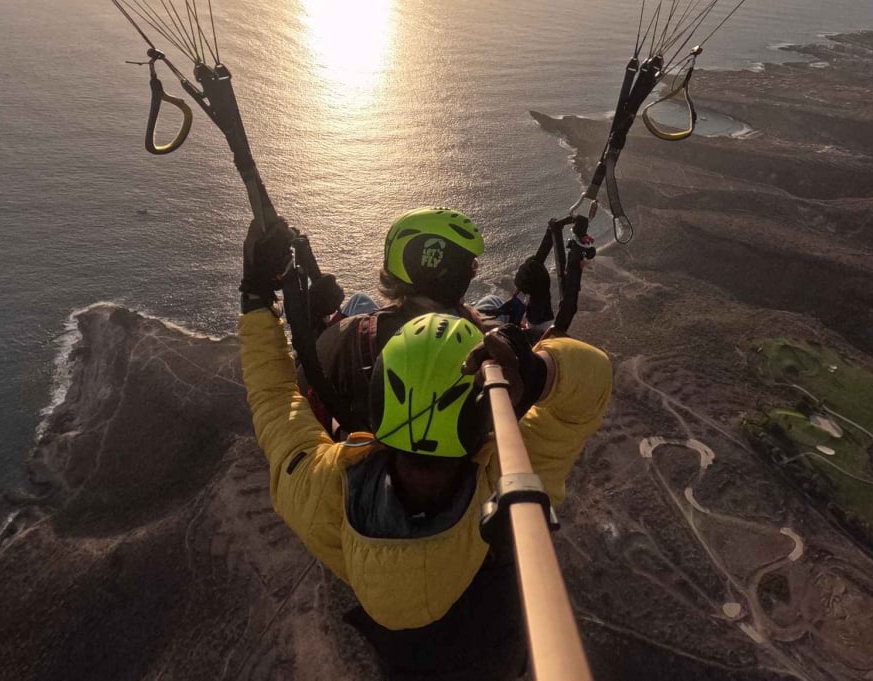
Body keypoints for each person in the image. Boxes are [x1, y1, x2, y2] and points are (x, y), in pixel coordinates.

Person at [239, 222, 613, 681]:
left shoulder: (322, 489)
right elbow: (590, 382)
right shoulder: (512, 469)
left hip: (405, 657)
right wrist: (539, 370)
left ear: (377, 409)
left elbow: (276, 400)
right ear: (485, 420)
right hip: (496, 654)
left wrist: (260, 298)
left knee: (357, 307)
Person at [305, 207, 487, 435]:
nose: (473, 272)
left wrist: (312, 322)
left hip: (367, 457)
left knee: (360, 301)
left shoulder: (351, 335)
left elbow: (302, 380)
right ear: (444, 273)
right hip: (457, 456)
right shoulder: (476, 331)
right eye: (471, 266)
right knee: (490, 301)